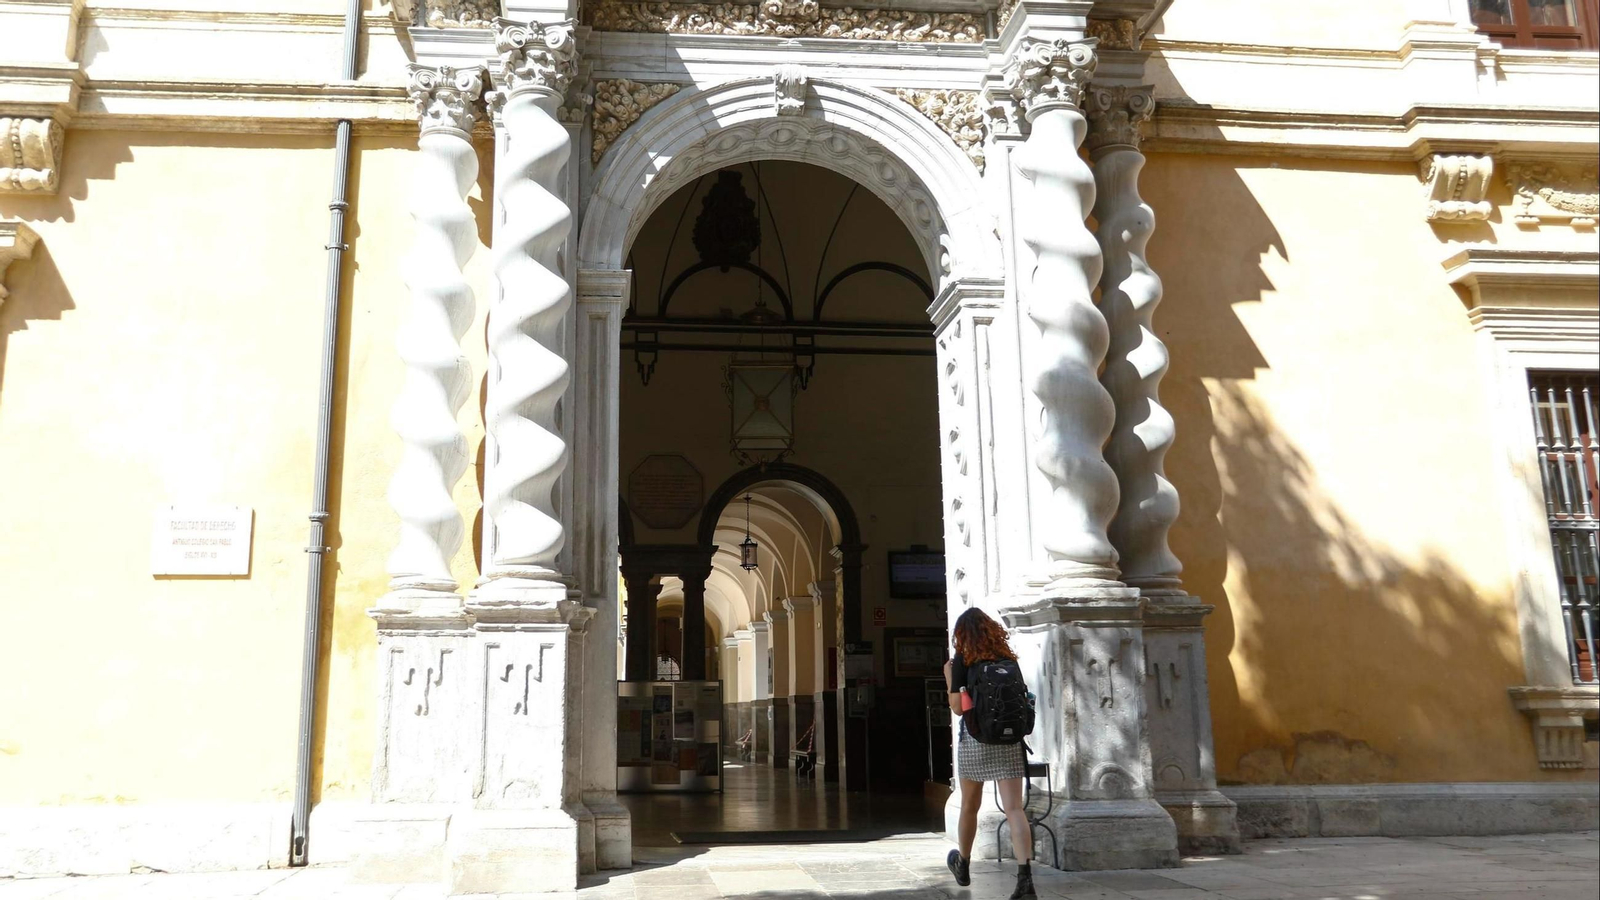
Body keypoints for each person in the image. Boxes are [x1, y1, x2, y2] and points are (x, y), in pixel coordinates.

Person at [943, 607, 1035, 900]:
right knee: (1014, 809)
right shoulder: (1008, 660)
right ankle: (1025, 879)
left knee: (970, 805)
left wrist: (949, 678)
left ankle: (964, 863)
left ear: (962, 635)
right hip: (1008, 741)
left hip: (976, 740)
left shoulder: (963, 661)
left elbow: (959, 708)